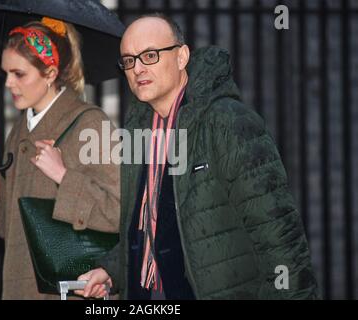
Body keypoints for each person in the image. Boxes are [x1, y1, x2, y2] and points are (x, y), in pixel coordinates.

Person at [77, 14, 319, 300]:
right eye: (129, 60)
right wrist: (111, 270)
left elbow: (278, 234)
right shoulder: (139, 130)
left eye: (150, 55)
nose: (138, 68)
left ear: (181, 57)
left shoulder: (227, 121)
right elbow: (149, 229)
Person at [0, 18, 120, 299]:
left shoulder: (89, 124)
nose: (9, 84)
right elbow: (14, 230)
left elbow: (119, 211)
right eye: (6, 74)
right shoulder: (19, 131)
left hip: (74, 290)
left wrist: (63, 176)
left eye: (19, 74)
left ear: (50, 73)